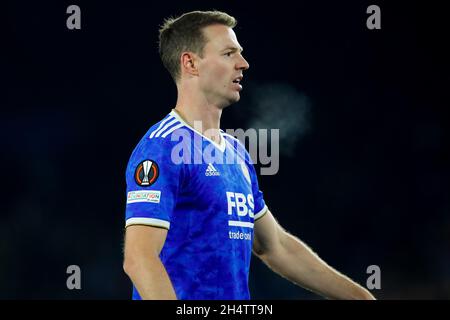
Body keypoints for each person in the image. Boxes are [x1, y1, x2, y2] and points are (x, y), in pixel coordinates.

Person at [122, 10, 375, 300]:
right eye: (229, 53)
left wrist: (360, 297)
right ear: (190, 62)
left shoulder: (236, 154)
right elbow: (139, 259)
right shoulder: (163, 147)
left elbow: (274, 246)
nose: (243, 64)